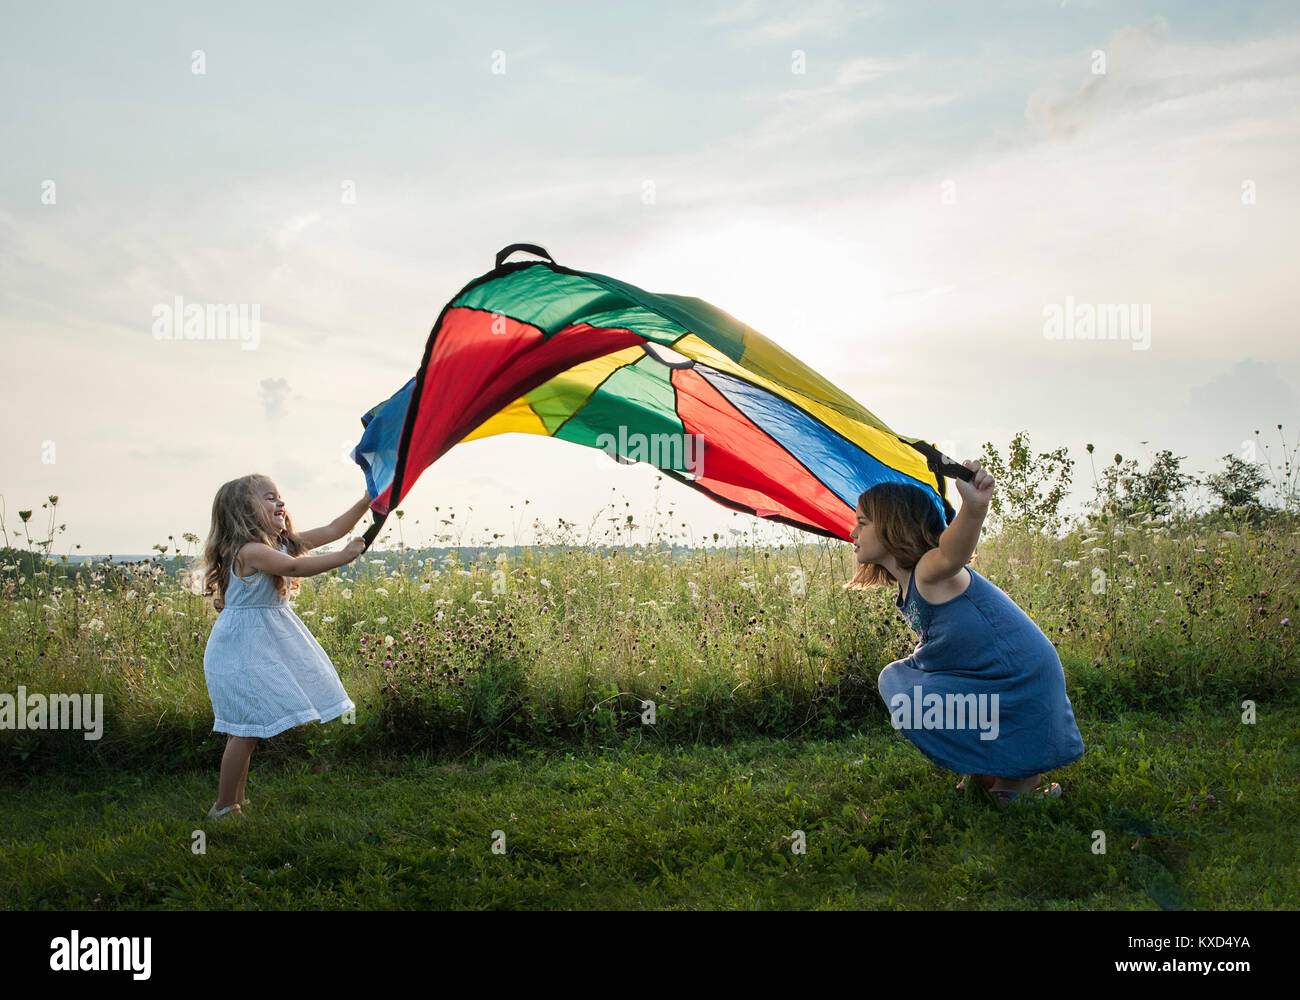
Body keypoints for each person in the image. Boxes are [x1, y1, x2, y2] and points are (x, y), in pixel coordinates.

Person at [847, 461, 1084, 804]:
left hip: (1020, 673)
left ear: (892, 526)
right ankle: (984, 764)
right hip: (988, 674)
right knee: (901, 678)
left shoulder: (930, 569)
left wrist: (973, 507)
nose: (853, 532)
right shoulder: (907, 584)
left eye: (862, 523)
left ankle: (1022, 783)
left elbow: (951, 552)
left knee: (902, 682)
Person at [198, 474, 371, 820]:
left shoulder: (278, 544)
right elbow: (294, 567)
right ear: (244, 511)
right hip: (239, 652)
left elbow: (335, 527)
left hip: (256, 647)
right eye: (269, 498)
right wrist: (344, 557)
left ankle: (237, 801)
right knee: (244, 730)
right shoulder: (250, 551)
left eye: (280, 497)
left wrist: (370, 498)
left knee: (248, 729)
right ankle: (223, 807)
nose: (280, 503)